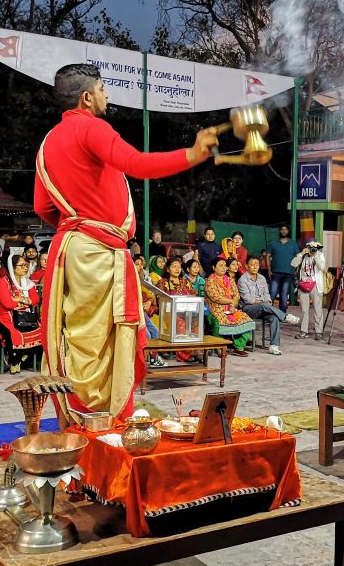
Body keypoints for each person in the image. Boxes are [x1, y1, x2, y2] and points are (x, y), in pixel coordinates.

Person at [34, 62, 217, 421]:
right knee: (108, 342)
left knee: (78, 339)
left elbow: (42, 205)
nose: (107, 95)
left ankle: (75, 419)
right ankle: (108, 424)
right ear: (87, 97)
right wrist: (191, 155)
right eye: (102, 89)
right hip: (98, 252)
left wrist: (77, 225)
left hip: (71, 248)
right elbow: (135, 163)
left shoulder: (47, 144)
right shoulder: (93, 129)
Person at [0, 252, 42, 374]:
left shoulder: (27, 282)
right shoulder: (3, 282)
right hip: (5, 318)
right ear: (12, 267)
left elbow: (36, 299)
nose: (25, 268)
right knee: (14, 334)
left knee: (44, 331)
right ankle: (15, 361)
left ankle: (22, 357)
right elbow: (8, 304)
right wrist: (24, 301)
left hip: (25, 318)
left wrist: (19, 299)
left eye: (26, 265)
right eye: (21, 265)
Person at [239, 256, 298, 355]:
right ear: (246, 266)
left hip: (263, 307)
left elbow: (267, 294)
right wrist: (263, 302)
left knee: (274, 317)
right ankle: (285, 316)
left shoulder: (262, 278)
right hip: (248, 308)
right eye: (252, 265)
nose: (255, 267)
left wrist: (267, 302)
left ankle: (274, 346)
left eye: (257, 265)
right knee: (263, 305)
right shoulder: (243, 280)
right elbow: (248, 299)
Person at [205, 257, 255, 356]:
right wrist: (231, 302)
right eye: (220, 265)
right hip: (215, 309)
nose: (223, 268)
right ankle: (219, 347)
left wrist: (233, 304)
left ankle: (239, 347)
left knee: (247, 320)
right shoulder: (210, 280)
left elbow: (237, 295)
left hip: (231, 308)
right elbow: (216, 298)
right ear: (213, 267)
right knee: (219, 322)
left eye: (224, 266)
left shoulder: (229, 279)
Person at [292, 239, 327, 340]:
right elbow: (293, 264)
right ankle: (303, 331)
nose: (312, 249)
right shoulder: (304, 255)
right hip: (303, 284)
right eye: (311, 247)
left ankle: (319, 331)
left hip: (316, 285)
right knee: (304, 309)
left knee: (318, 309)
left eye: (314, 248)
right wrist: (301, 254)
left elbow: (322, 267)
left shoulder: (319, 255)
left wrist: (315, 255)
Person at [265, 225, 300, 313]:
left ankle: (282, 314)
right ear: (279, 231)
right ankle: (267, 313)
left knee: (284, 294)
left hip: (289, 272)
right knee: (272, 292)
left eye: (286, 229)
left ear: (288, 231)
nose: (284, 231)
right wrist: (269, 270)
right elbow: (268, 256)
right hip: (275, 272)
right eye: (282, 229)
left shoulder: (293, 243)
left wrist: (297, 269)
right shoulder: (273, 243)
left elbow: (298, 257)